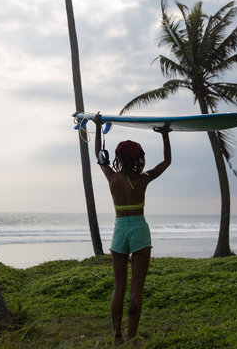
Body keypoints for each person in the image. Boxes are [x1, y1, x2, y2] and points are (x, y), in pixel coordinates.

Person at [93, 112, 171, 345]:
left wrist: (98, 128)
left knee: (119, 289)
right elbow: (166, 162)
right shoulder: (143, 179)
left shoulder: (111, 177)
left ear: (118, 157)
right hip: (139, 230)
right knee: (137, 288)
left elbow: (99, 158)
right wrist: (165, 136)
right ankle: (132, 337)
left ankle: (117, 337)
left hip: (119, 230)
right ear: (138, 159)